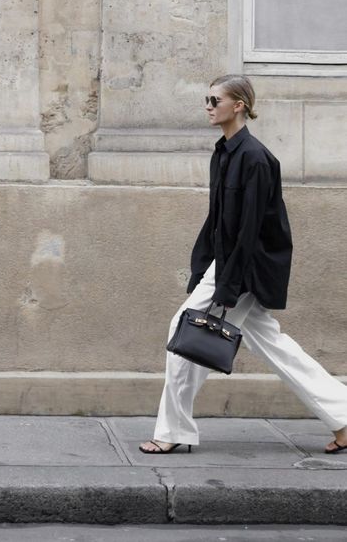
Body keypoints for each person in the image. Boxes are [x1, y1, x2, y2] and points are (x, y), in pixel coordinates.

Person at [139, 74, 347, 455]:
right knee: (274, 345)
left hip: (245, 268)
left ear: (239, 105)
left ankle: (172, 430)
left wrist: (228, 285)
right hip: (229, 263)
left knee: (182, 332)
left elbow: (251, 231)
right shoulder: (224, 152)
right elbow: (217, 219)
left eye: (215, 100)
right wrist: (205, 266)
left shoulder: (255, 158)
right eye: (207, 98)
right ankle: (344, 417)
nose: (208, 106)